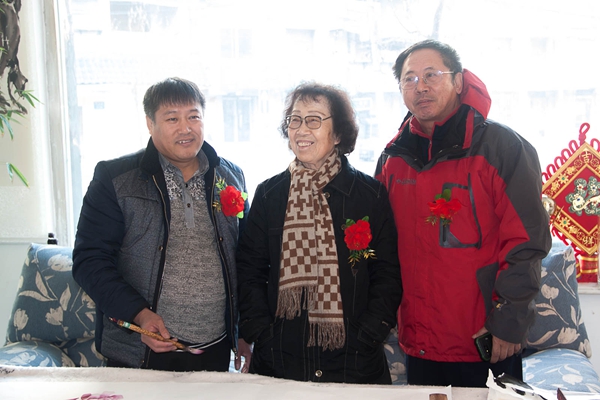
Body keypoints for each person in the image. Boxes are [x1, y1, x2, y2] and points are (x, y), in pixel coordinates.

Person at [375, 39, 552, 387]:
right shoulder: (393, 158)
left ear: (458, 81)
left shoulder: (502, 148)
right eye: (409, 79)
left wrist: (508, 321)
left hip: (486, 339)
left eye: (432, 74)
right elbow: (381, 245)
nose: (420, 86)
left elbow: (526, 242)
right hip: (419, 342)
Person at [72, 77, 252, 372]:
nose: (185, 128)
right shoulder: (115, 179)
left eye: (193, 116)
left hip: (216, 349)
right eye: (172, 118)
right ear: (149, 123)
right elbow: (89, 262)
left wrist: (245, 330)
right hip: (140, 351)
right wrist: (139, 315)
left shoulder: (231, 176)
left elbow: (246, 260)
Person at [236, 82, 402, 384]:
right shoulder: (270, 194)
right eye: (295, 120)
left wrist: (368, 334)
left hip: (355, 360)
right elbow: (250, 270)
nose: (301, 130)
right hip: (280, 360)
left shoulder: (369, 195)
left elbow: (387, 274)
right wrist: (262, 333)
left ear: (337, 134)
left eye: (313, 120)